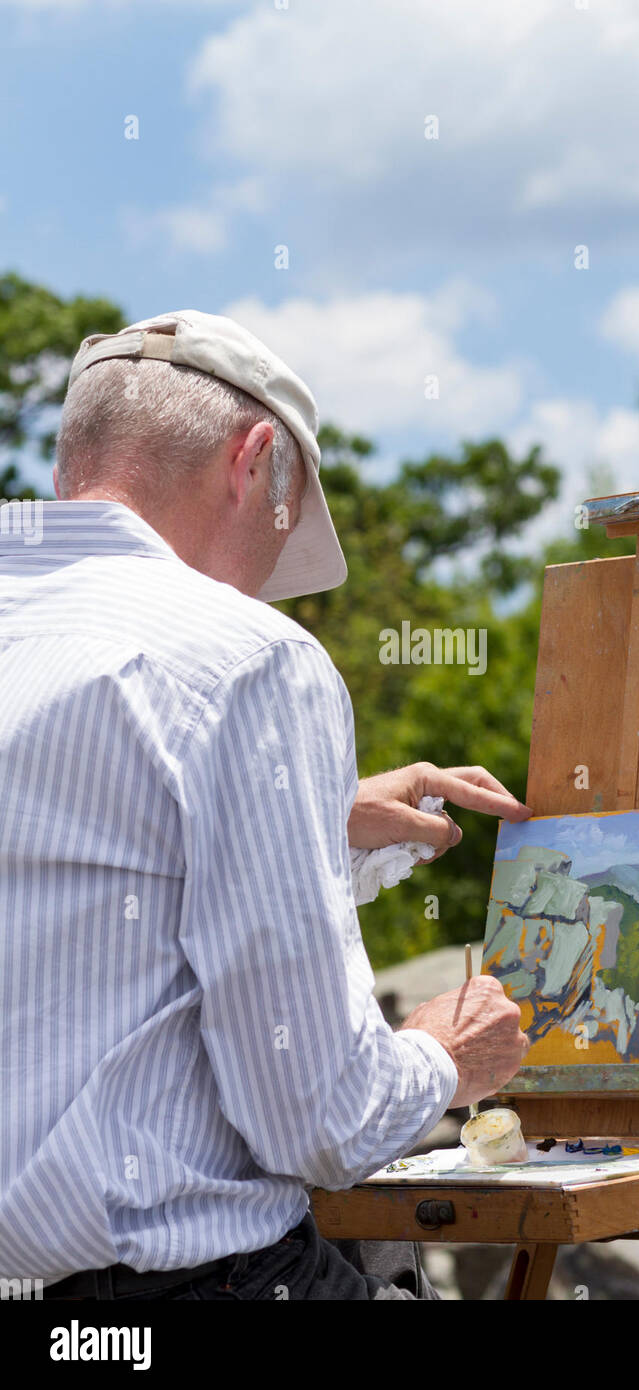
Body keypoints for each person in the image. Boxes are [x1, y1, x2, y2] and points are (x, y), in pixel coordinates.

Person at [0, 310, 530, 1301]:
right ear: (253, 462)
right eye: (273, 550)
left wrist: (312, 818)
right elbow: (318, 1118)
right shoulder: (246, 655)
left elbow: (78, 876)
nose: (266, 595)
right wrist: (441, 1056)